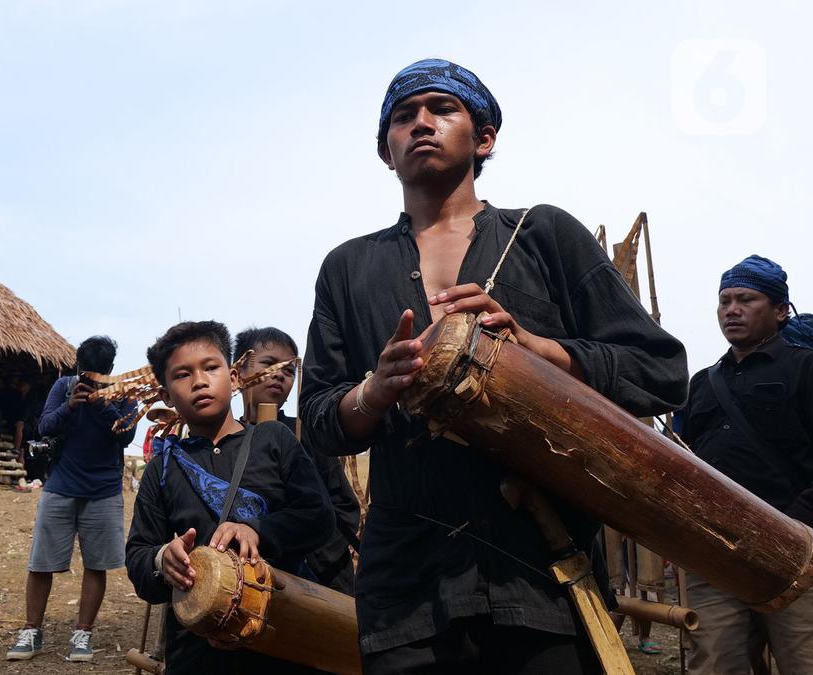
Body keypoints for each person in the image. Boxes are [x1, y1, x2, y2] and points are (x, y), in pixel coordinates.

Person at [298, 58, 688, 673]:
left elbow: (660, 370)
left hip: (543, 570)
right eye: (403, 117)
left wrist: (540, 352)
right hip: (406, 587)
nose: (421, 123)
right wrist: (375, 391)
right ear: (386, 152)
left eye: (441, 109)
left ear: (484, 138)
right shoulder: (348, 267)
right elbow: (319, 419)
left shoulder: (542, 235)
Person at [125, 320, 333, 674]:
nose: (200, 381)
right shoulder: (163, 469)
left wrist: (258, 530)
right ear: (165, 395)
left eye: (211, 367)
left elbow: (319, 518)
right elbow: (138, 556)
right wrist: (163, 559)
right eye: (182, 375)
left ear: (234, 377)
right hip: (196, 651)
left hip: (282, 639)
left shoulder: (275, 442)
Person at [676, 255, 813, 675]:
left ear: (779, 310)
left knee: (803, 660)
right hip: (717, 548)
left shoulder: (804, 367)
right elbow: (686, 459)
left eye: (746, 299)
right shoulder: (702, 384)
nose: (731, 309)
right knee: (716, 661)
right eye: (724, 301)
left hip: (798, 548)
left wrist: (798, 526)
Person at [7, 336, 136, 663]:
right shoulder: (63, 387)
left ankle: (83, 633)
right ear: (77, 367)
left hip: (104, 491)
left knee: (96, 564)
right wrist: (71, 405)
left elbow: (128, 436)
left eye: (97, 375)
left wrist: (104, 405)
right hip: (60, 486)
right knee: (41, 563)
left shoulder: (123, 393)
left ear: (109, 371)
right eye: (85, 374)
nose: (89, 381)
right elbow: (44, 425)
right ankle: (31, 631)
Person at [234, 325, 360, 594]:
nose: (279, 374)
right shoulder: (227, 441)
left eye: (289, 370)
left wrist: (311, 551)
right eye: (269, 364)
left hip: (318, 576)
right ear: (238, 372)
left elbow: (343, 507)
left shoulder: (308, 435)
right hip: (245, 578)